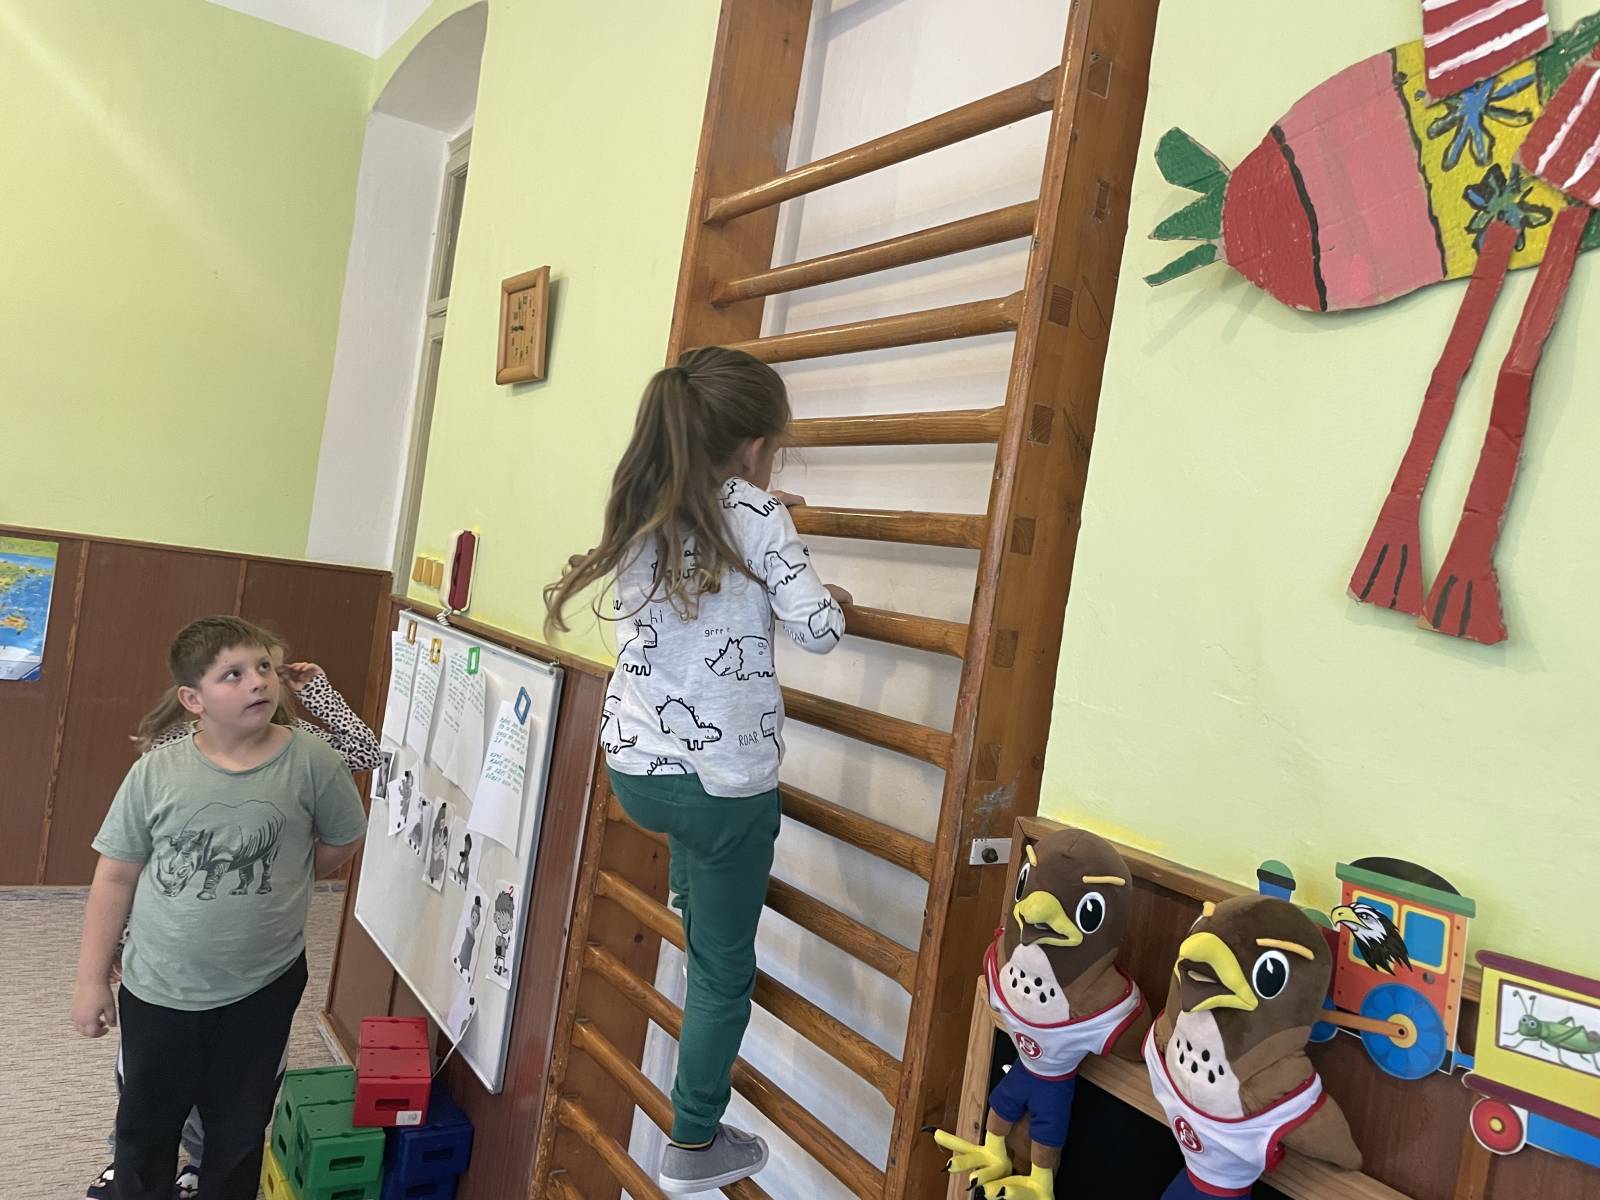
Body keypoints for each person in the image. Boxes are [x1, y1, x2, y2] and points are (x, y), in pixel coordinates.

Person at [546, 347, 848, 1195]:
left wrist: (758, 520)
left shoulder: (642, 504)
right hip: (722, 790)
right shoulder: (758, 515)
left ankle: (690, 891)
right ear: (754, 448)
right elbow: (819, 630)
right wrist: (808, 569)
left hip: (635, 771)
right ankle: (693, 1143)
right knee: (724, 971)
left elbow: (706, 551)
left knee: (694, 842)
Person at [71, 616, 367, 1200]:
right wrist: (90, 977)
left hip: (263, 984)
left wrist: (291, 873)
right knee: (145, 1120)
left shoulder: (310, 759)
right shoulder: (159, 768)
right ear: (193, 699)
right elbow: (117, 874)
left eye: (264, 668)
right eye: (234, 674)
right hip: (159, 984)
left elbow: (344, 830)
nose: (257, 681)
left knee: (238, 1128)